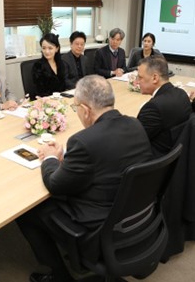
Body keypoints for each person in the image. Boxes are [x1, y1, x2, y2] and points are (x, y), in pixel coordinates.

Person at [17, 75, 154, 282]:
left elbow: (55, 185)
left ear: (86, 110)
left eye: (75, 108)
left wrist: (51, 159)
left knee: (28, 211)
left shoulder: (83, 141)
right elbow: (105, 160)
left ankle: (60, 276)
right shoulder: (135, 125)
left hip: (99, 226)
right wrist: (67, 160)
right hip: (136, 218)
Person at [136, 57, 191, 156]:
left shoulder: (153, 107)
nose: (137, 82)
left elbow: (135, 140)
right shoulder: (181, 93)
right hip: (174, 154)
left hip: (154, 159)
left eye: (140, 77)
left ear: (155, 78)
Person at [32, 33, 67, 98]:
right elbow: (40, 91)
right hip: (45, 101)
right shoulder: (38, 66)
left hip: (61, 99)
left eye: (50, 48)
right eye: (44, 48)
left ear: (56, 49)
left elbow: (64, 86)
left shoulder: (62, 64)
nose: (46, 51)